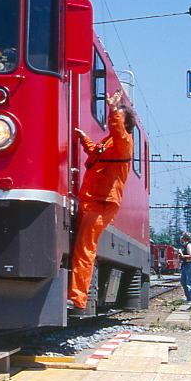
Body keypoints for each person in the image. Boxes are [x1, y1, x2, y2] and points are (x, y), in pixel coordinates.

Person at [68, 89, 135, 310]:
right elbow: (96, 153)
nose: (113, 119)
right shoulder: (110, 144)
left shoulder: (124, 142)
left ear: (124, 124)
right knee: (82, 247)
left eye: (118, 116)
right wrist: (83, 138)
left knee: (85, 248)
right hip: (92, 199)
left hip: (102, 201)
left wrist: (113, 108)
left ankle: (77, 298)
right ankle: (76, 294)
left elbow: (116, 128)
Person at [178, 232, 191, 305]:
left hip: (190, 264)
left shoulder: (189, 245)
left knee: (190, 282)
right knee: (184, 282)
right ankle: (189, 299)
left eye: (182, 237)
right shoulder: (185, 246)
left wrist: (183, 256)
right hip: (186, 264)